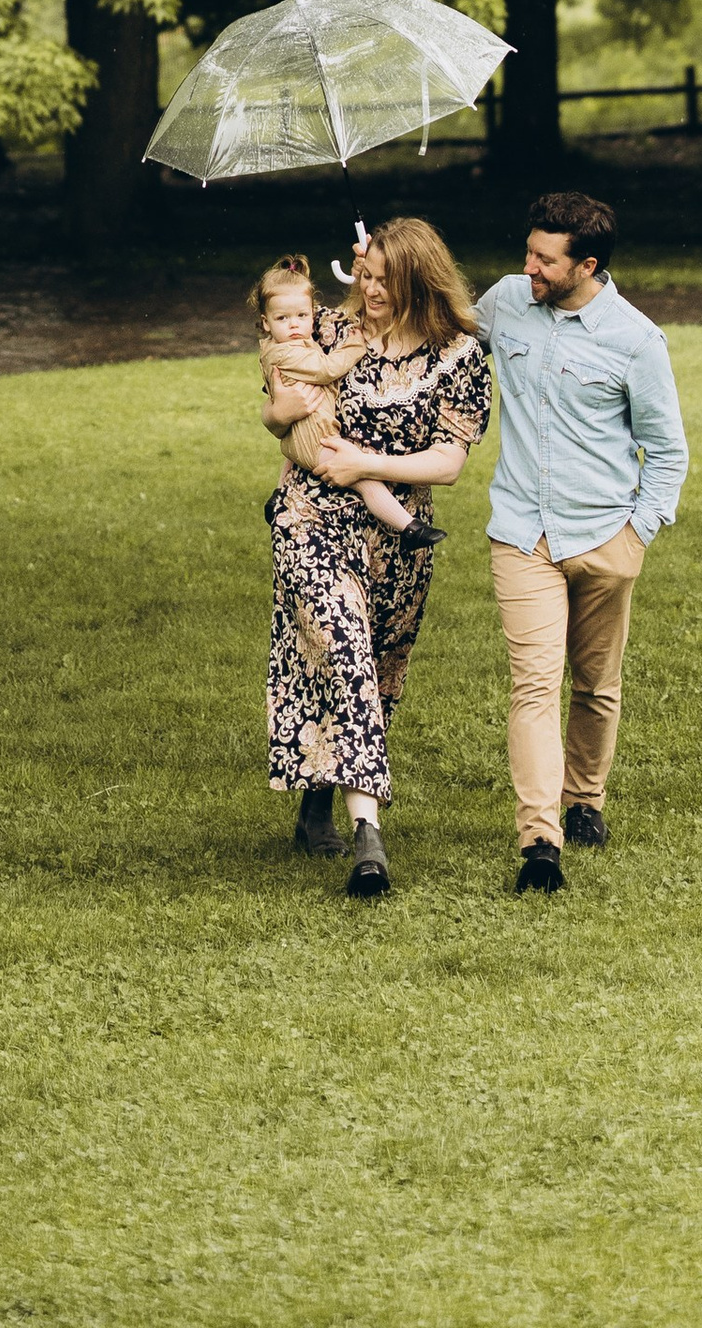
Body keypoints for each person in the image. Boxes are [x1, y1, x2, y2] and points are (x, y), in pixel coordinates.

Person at [261, 213, 492, 899]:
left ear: (420, 280)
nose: (372, 291)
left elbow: (447, 464)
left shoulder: (459, 357)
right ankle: (370, 836)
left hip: (399, 536)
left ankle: (315, 803)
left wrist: (364, 460)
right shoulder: (331, 330)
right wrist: (276, 417)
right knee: (344, 649)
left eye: (386, 281)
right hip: (311, 518)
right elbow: (277, 398)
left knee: (376, 671)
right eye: (366, 277)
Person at [475, 188, 689, 895]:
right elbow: (433, 328)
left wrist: (638, 535)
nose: (527, 267)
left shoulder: (636, 339)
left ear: (586, 264)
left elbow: (666, 452)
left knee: (595, 685)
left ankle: (586, 799)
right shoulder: (506, 300)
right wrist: (379, 270)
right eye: (529, 252)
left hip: (605, 535)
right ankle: (541, 839)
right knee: (533, 685)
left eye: (544, 259)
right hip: (521, 533)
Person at [249, 252, 439, 546]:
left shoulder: (293, 340)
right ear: (265, 322)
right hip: (316, 436)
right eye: (282, 318)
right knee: (364, 479)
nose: (295, 324)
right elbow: (327, 369)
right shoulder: (282, 351)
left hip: (305, 431)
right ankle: (409, 527)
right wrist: (356, 344)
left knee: (294, 454)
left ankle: (277, 497)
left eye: (302, 315)